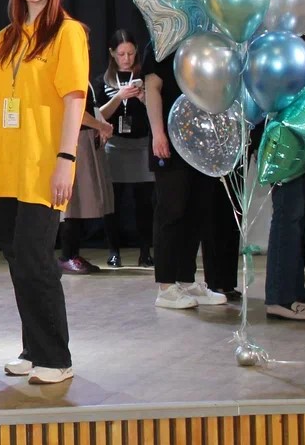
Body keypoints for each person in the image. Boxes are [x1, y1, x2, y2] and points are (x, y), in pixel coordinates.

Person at [0, 0, 88, 385]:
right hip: (9, 166)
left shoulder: (67, 32)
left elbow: (75, 100)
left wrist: (66, 158)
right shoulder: (7, 37)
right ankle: (33, 348)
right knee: (17, 259)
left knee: (35, 258)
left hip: (45, 164)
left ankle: (56, 357)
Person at [143, 51, 238, 310]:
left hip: (201, 143)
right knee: (171, 211)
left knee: (196, 212)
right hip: (170, 142)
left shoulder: (206, 45)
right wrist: (158, 133)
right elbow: (152, 87)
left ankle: (186, 280)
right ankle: (166, 286)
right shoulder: (162, 44)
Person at [264, 23, 305, 321]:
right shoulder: (289, 42)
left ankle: (295, 294)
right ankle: (282, 296)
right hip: (291, 139)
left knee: (296, 217)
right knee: (290, 214)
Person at [96, 29, 154, 268]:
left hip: (141, 145)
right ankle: (113, 251)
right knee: (114, 203)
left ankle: (145, 252)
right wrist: (119, 97)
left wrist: (143, 97)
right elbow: (99, 115)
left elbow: (157, 110)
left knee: (144, 203)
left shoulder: (145, 77)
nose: (127, 59)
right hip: (114, 147)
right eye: (121, 54)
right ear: (112, 53)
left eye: (130, 53)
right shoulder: (103, 81)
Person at [58, 85, 115, 274]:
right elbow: (76, 112)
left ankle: (73, 254)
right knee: (72, 203)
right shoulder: (70, 78)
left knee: (80, 202)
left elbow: (91, 108)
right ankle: (67, 256)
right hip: (76, 140)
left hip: (85, 139)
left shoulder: (84, 79)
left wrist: (101, 125)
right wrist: (101, 126)